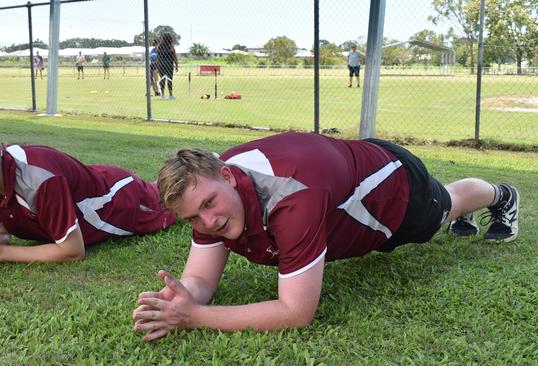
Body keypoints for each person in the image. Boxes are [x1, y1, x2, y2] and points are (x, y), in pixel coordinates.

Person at [132, 132, 520, 341]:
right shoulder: (213, 188)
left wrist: (197, 316)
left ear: (229, 178)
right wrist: (181, 298)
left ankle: (502, 195)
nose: (210, 221)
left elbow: (295, 313)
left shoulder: (293, 193)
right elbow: (200, 278)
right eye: (194, 217)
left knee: (444, 207)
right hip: (345, 182)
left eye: (210, 204)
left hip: (393, 187)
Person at [0, 113, 176, 266]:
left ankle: (210, 161)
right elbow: (1, 232)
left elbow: (72, 251)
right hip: (85, 184)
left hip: (116, 199)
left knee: (175, 198)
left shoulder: (39, 178)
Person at [156, 33, 178, 100]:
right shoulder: (171, 47)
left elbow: (158, 58)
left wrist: (157, 67)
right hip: (169, 65)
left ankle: (162, 95)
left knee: (162, 79)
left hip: (161, 65)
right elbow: (175, 57)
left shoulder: (159, 47)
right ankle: (170, 95)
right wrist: (177, 65)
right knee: (169, 80)